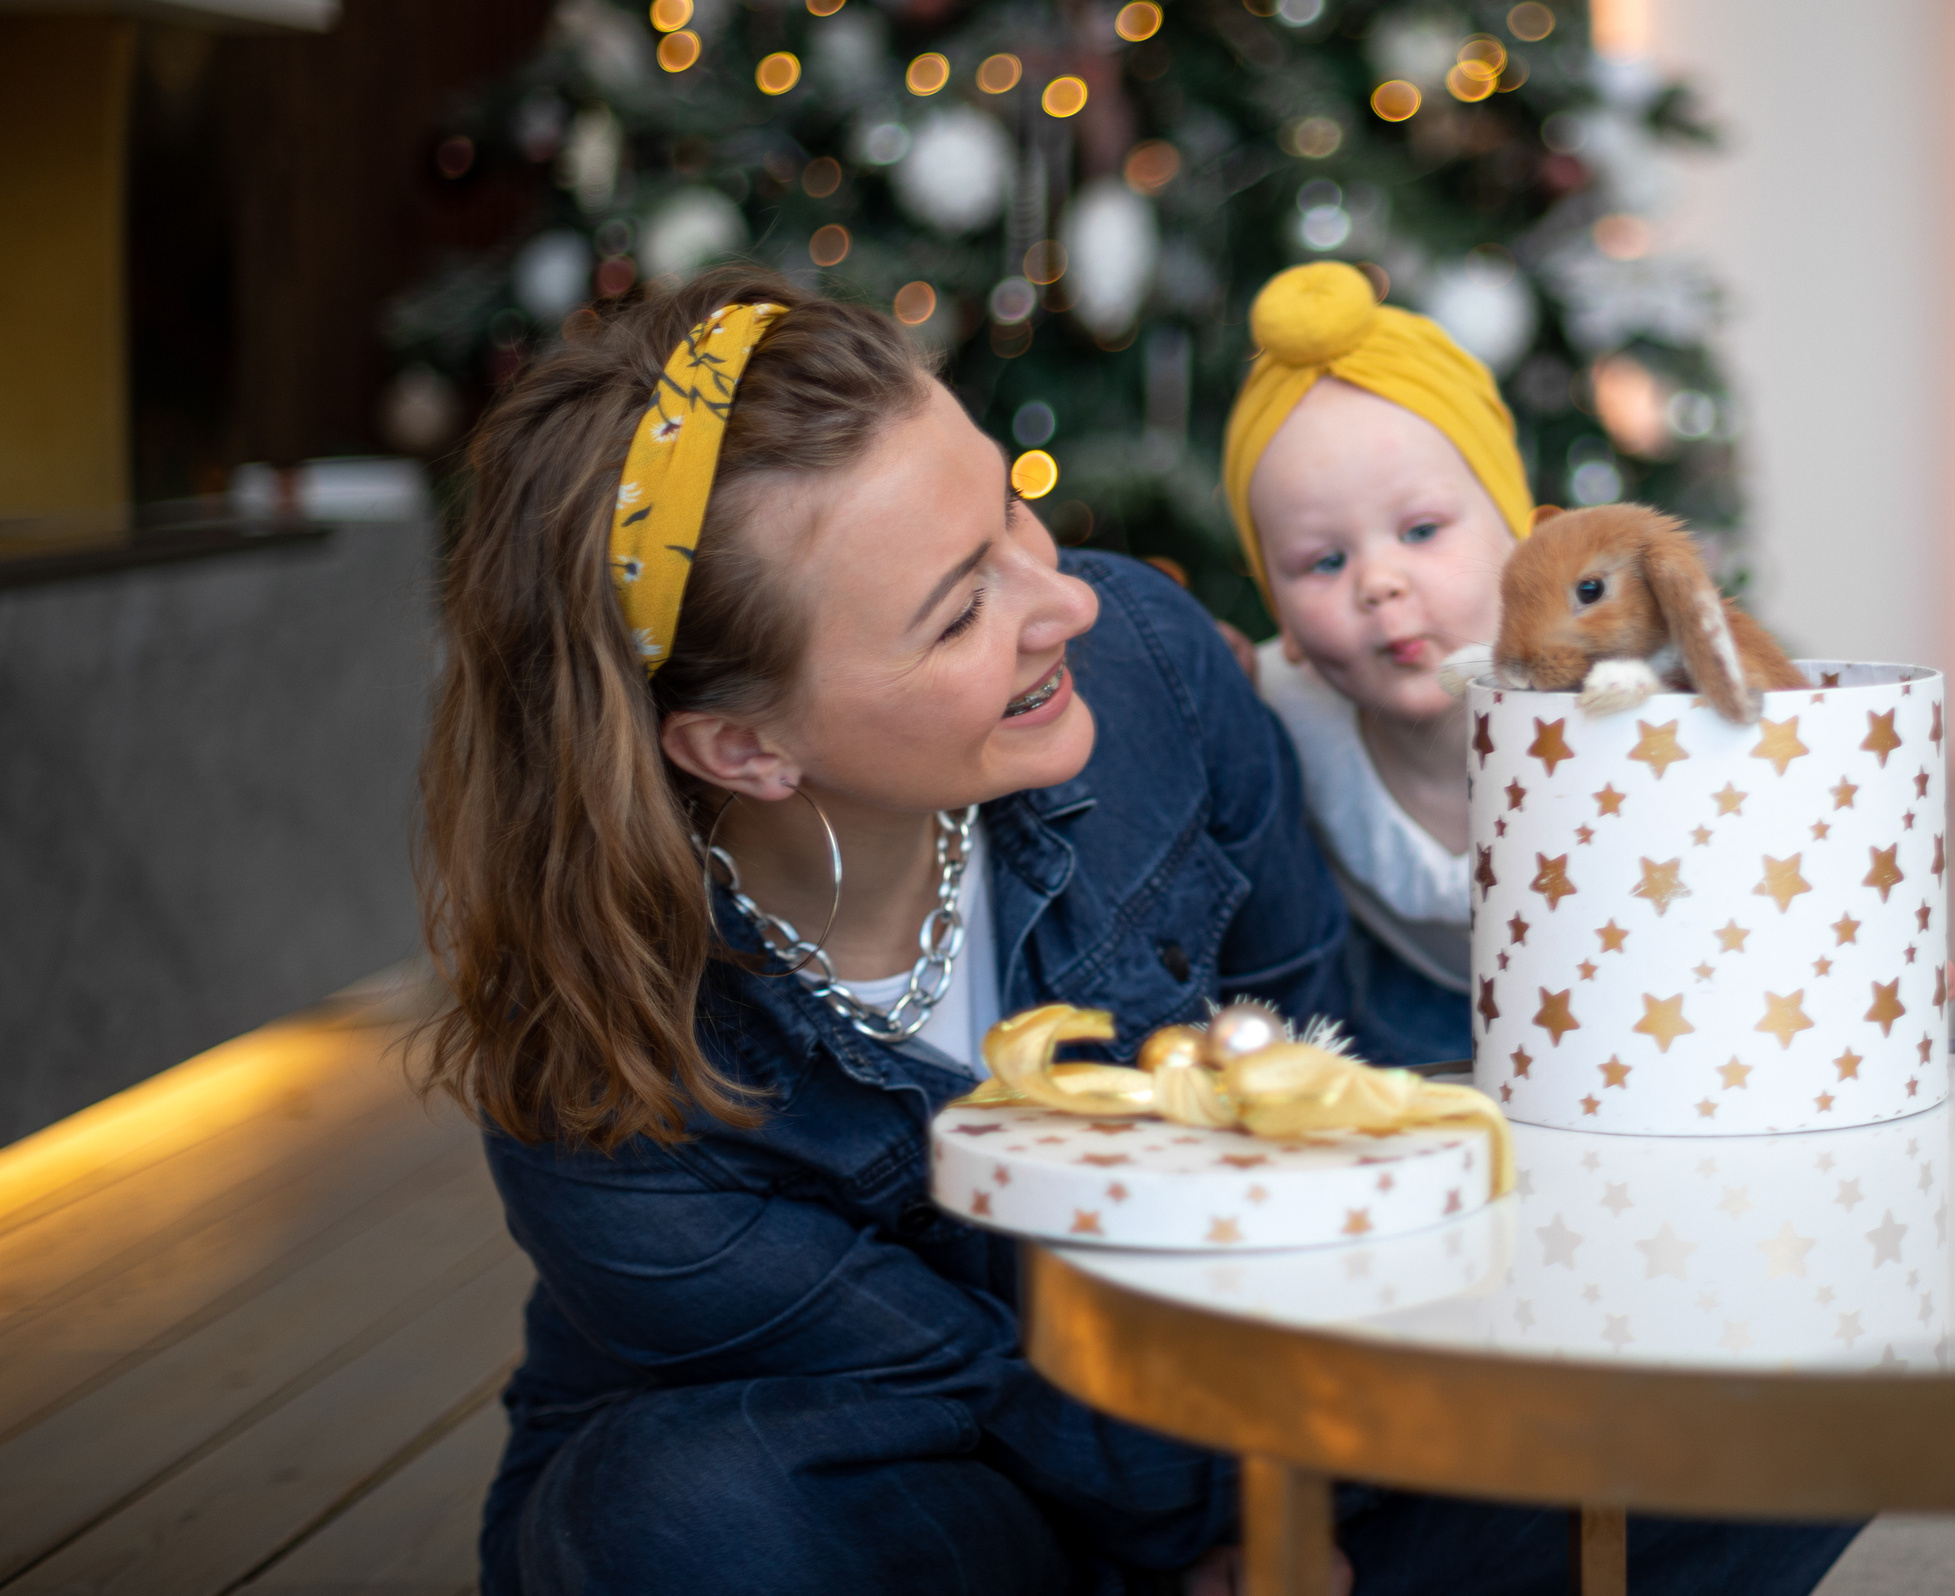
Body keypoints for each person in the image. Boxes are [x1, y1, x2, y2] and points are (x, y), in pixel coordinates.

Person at [418, 266, 1859, 1595]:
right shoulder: (605, 1099)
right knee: (684, 1520)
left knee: (1800, 1375)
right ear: (743, 753)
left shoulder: (1153, 673)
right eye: (957, 610)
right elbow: (995, 1392)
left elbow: (1333, 1094)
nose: (1063, 602)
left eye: (1009, 514)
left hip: (1241, 1421)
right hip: (929, 1504)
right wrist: (1241, 1532)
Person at [1221, 262, 1526, 1068]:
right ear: (1281, 618)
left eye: (1422, 530)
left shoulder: (1610, 702)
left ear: (1522, 538)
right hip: (1399, 1013)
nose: (1378, 582)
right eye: (1323, 562)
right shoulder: (1281, 711)